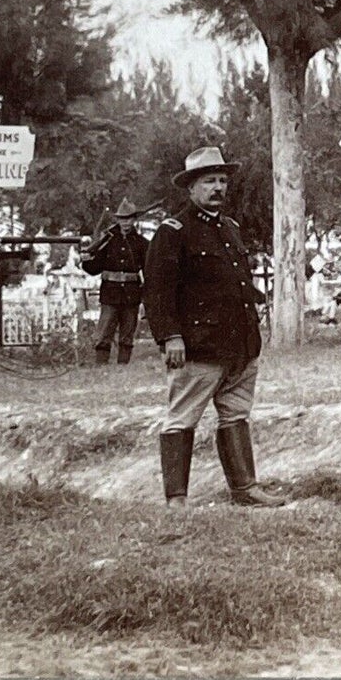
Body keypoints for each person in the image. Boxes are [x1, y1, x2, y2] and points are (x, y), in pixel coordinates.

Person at [143, 146, 284, 509]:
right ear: (191, 188)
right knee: (181, 418)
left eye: (222, 180)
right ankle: (176, 498)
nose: (218, 188)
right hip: (198, 346)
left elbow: (234, 280)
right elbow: (158, 290)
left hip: (240, 345)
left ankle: (244, 488)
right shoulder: (173, 231)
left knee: (236, 415)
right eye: (209, 181)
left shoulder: (230, 228)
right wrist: (170, 337)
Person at [80, 198, 150, 365]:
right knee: (104, 333)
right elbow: (93, 269)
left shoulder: (142, 243)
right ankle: (101, 366)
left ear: (134, 220)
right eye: (122, 219)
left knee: (127, 334)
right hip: (110, 293)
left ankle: (123, 367)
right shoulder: (107, 241)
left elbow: (149, 269)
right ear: (118, 220)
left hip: (132, 294)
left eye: (129, 218)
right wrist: (86, 259)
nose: (126, 222)